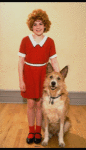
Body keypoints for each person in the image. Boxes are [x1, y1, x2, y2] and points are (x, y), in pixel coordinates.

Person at [18, 9, 60, 144]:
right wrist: (21, 80)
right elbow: (20, 62)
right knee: (30, 103)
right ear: (31, 26)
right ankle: (31, 131)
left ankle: (38, 131)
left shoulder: (50, 41)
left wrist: (59, 78)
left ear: (45, 25)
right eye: (35, 24)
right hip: (29, 74)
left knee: (40, 103)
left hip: (43, 76)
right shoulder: (25, 40)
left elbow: (53, 61)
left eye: (40, 23)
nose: (38, 27)